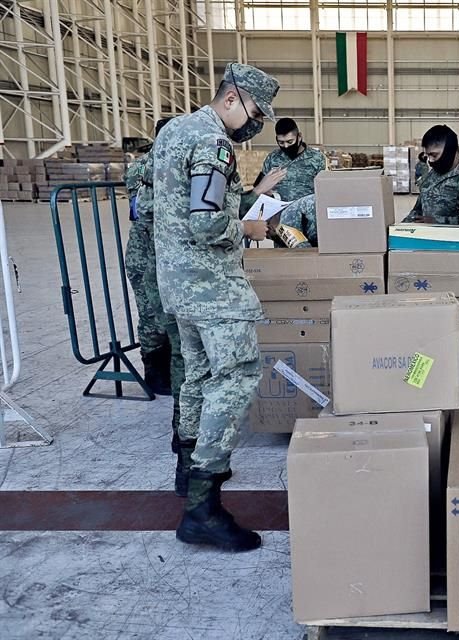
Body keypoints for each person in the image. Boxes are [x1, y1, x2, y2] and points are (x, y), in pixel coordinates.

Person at [152, 62, 278, 552]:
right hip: (213, 288)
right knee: (236, 376)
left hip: (178, 286)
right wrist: (246, 228)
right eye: (254, 113)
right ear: (232, 99)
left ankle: (187, 468)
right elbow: (207, 224)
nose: (255, 124)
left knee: (198, 376)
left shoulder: (174, 131)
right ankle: (202, 507)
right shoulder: (214, 142)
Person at [124, 118, 173, 397]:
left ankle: (171, 370)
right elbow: (145, 212)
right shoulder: (141, 168)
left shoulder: (175, 163)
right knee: (152, 316)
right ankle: (154, 374)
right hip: (145, 256)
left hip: (167, 255)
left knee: (170, 314)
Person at [254, 117, 326, 202]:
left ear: (299, 137)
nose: (286, 146)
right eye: (281, 142)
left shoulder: (317, 158)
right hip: (278, 211)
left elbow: (323, 189)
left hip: (305, 211)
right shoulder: (272, 158)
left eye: (290, 142)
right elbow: (259, 185)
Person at [402, 125, 459, 225]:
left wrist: (439, 222)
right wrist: (400, 228)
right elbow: (418, 210)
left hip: (453, 238)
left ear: (450, 150)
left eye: (434, 155)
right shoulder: (431, 175)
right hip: (428, 236)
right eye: (428, 155)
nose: (430, 160)